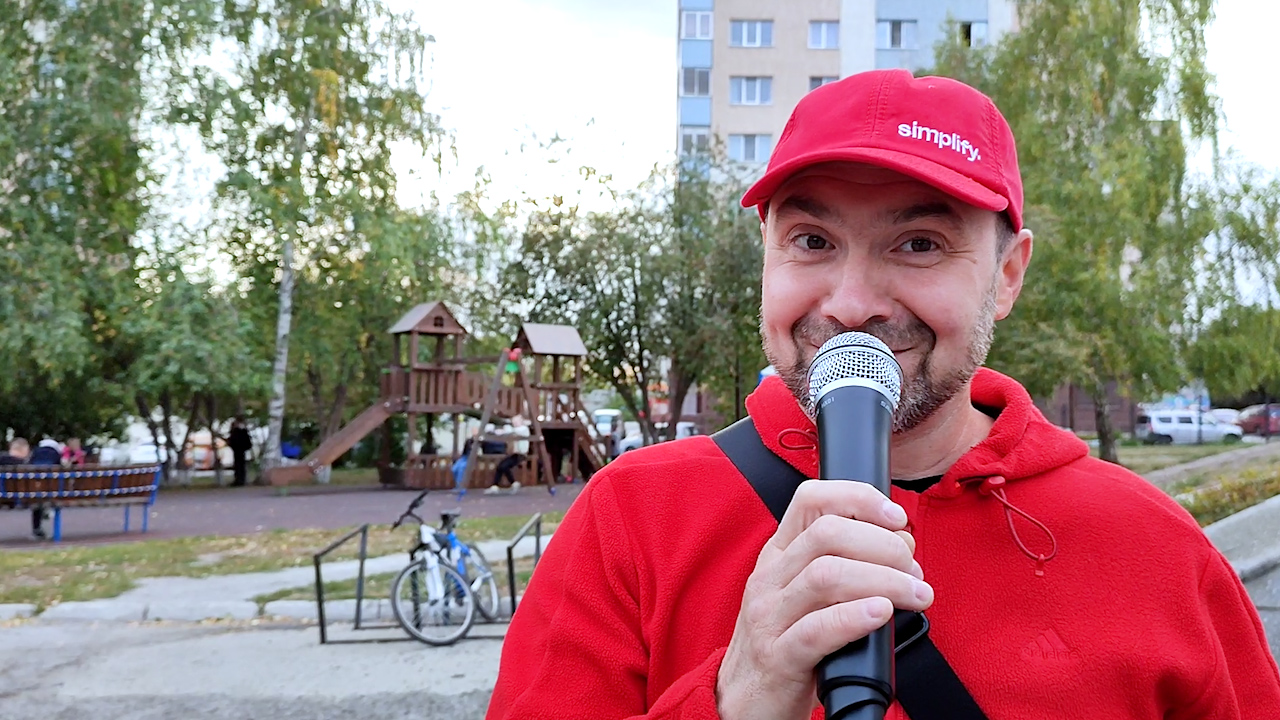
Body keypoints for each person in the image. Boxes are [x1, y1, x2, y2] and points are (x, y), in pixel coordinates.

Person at [487, 70, 1280, 718]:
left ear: (1007, 276)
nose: (851, 303)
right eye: (811, 241)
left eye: (920, 244)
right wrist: (737, 700)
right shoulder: (631, 520)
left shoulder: (1155, 548)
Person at [485, 416, 529, 494]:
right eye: (513, 422)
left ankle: (508, 484)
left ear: (521, 421)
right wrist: (496, 431)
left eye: (516, 421)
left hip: (520, 454)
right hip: (515, 454)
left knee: (503, 466)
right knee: (502, 466)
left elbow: (513, 431)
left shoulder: (524, 429)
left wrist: (504, 430)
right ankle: (504, 485)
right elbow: (508, 433)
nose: (514, 423)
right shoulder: (515, 430)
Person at [227, 418, 253, 487]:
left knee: (238, 465)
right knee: (241, 465)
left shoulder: (236, 431)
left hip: (238, 450)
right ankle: (241, 480)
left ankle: (239, 480)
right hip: (240, 450)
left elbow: (232, 441)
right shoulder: (243, 431)